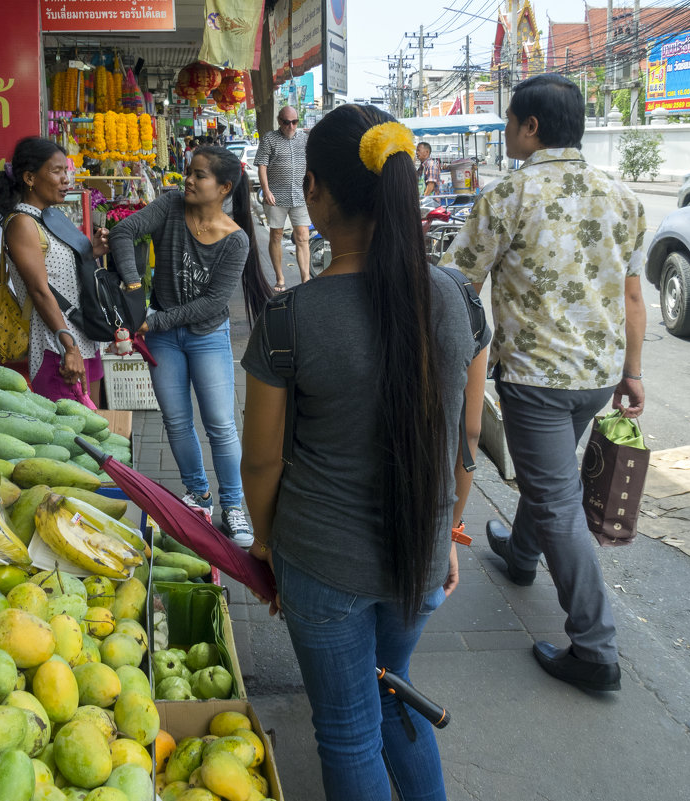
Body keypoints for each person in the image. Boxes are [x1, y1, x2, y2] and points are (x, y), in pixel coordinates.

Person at [241, 105, 477, 801]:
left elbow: (261, 463)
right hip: (421, 550)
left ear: (312, 191)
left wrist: (262, 541)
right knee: (393, 687)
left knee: (346, 729)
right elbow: (462, 441)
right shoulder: (453, 296)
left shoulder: (289, 318)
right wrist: (450, 530)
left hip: (320, 559)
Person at [438, 73, 646, 692]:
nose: (507, 131)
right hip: (599, 376)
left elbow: (454, 286)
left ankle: (595, 648)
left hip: (536, 380)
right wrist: (633, 373)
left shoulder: (510, 197)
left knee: (556, 498)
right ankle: (521, 554)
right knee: (550, 476)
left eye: (509, 121)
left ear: (530, 128)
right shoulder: (623, 197)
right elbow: (634, 297)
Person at [110, 145, 271, 547]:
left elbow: (213, 304)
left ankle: (233, 506)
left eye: (199, 175)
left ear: (224, 187)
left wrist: (152, 319)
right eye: (189, 172)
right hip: (163, 336)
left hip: (207, 338)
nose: (189, 181)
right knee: (176, 421)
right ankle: (198, 494)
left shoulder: (236, 241)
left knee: (220, 425)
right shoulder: (169, 206)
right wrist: (133, 288)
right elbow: (123, 232)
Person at [0, 137, 110, 405]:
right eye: (56, 171)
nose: (66, 179)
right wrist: (69, 347)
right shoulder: (22, 223)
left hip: (84, 341)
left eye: (65, 170)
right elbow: (40, 291)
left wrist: (93, 254)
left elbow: (62, 274)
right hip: (56, 348)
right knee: (70, 438)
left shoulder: (50, 218)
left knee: (96, 432)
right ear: (30, 177)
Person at [255, 106, 310, 290]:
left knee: (302, 236)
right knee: (276, 235)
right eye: (287, 122)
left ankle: (306, 279)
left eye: (294, 122)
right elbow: (262, 165)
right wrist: (266, 190)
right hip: (276, 195)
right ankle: (280, 278)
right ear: (279, 121)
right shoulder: (269, 139)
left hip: (300, 195)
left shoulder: (304, 138)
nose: (291, 126)